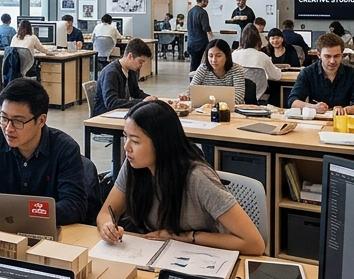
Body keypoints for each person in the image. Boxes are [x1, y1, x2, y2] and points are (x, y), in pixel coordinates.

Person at [95, 101, 264, 255]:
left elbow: (254, 244)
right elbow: (106, 213)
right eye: (126, 137)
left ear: (160, 144)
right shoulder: (134, 166)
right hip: (158, 253)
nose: (126, 147)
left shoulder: (198, 178)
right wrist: (107, 227)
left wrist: (184, 236)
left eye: (135, 141)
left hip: (205, 257)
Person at [0, 78, 101, 226]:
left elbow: (74, 206)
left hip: (54, 233)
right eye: (4, 118)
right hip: (9, 228)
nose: (8, 128)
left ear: (41, 121)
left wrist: (23, 214)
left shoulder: (65, 149)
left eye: (18, 121)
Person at [288, 33, 354, 115]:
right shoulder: (307, 73)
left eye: (336, 56)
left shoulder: (353, 74)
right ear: (319, 55)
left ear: (342, 55)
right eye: (327, 56)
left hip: (343, 121)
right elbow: (293, 101)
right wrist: (313, 107)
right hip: (316, 122)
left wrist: (345, 110)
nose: (332, 61)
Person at [94, 39, 156, 114]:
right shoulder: (111, 73)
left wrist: (151, 99)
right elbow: (111, 103)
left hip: (119, 113)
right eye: (140, 62)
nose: (141, 66)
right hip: (104, 117)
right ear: (130, 56)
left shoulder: (131, 70)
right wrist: (142, 102)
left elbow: (136, 92)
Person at [231, 25, 281, 103]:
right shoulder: (262, 56)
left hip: (236, 97)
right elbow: (276, 76)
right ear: (258, 39)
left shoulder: (234, 55)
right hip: (258, 96)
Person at [189, 39, 248, 104]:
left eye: (218, 56)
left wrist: (215, 105)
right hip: (205, 110)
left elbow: (239, 97)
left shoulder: (236, 69)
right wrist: (186, 96)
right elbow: (191, 90)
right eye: (211, 56)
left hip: (231, 111)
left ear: (227, 56)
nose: (214, 60)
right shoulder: (203, 68)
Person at [186, 0, 213, 73]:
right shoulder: (202, 12)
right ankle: (195, 82)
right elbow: (206, 27)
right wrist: (211, 36)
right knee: (204, 64)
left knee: (193, 63)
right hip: (200, 42)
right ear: (202, 1)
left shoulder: (190, 11)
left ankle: (192, 81)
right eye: (206, 1)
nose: (207, 3)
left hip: (191, 41)